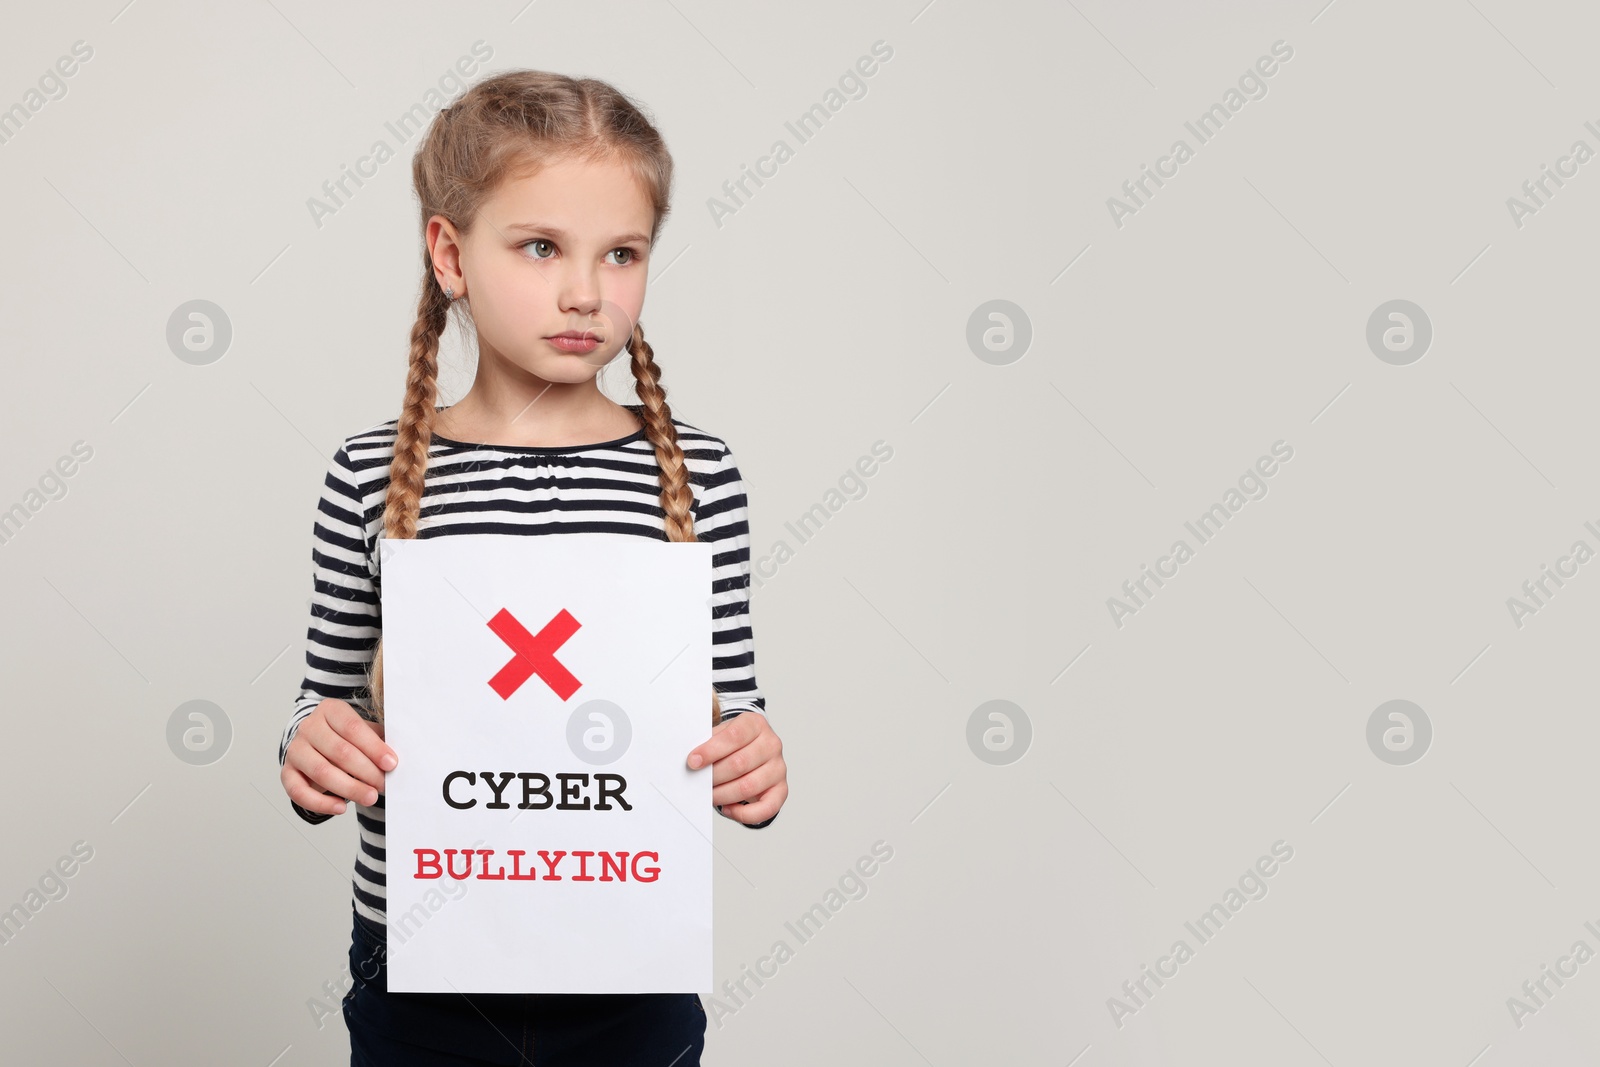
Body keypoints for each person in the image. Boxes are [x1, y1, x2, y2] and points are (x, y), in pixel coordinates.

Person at [275, 69, 788, 1066]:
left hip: (631, 971)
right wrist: (312, 749)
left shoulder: (702, 474)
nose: (586, 291)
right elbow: (318, 704)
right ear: (449, 252)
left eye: (622, 253)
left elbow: (732, 710)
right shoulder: (367, 476)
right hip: (421, 970)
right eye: (541, 246)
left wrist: (753, 757)